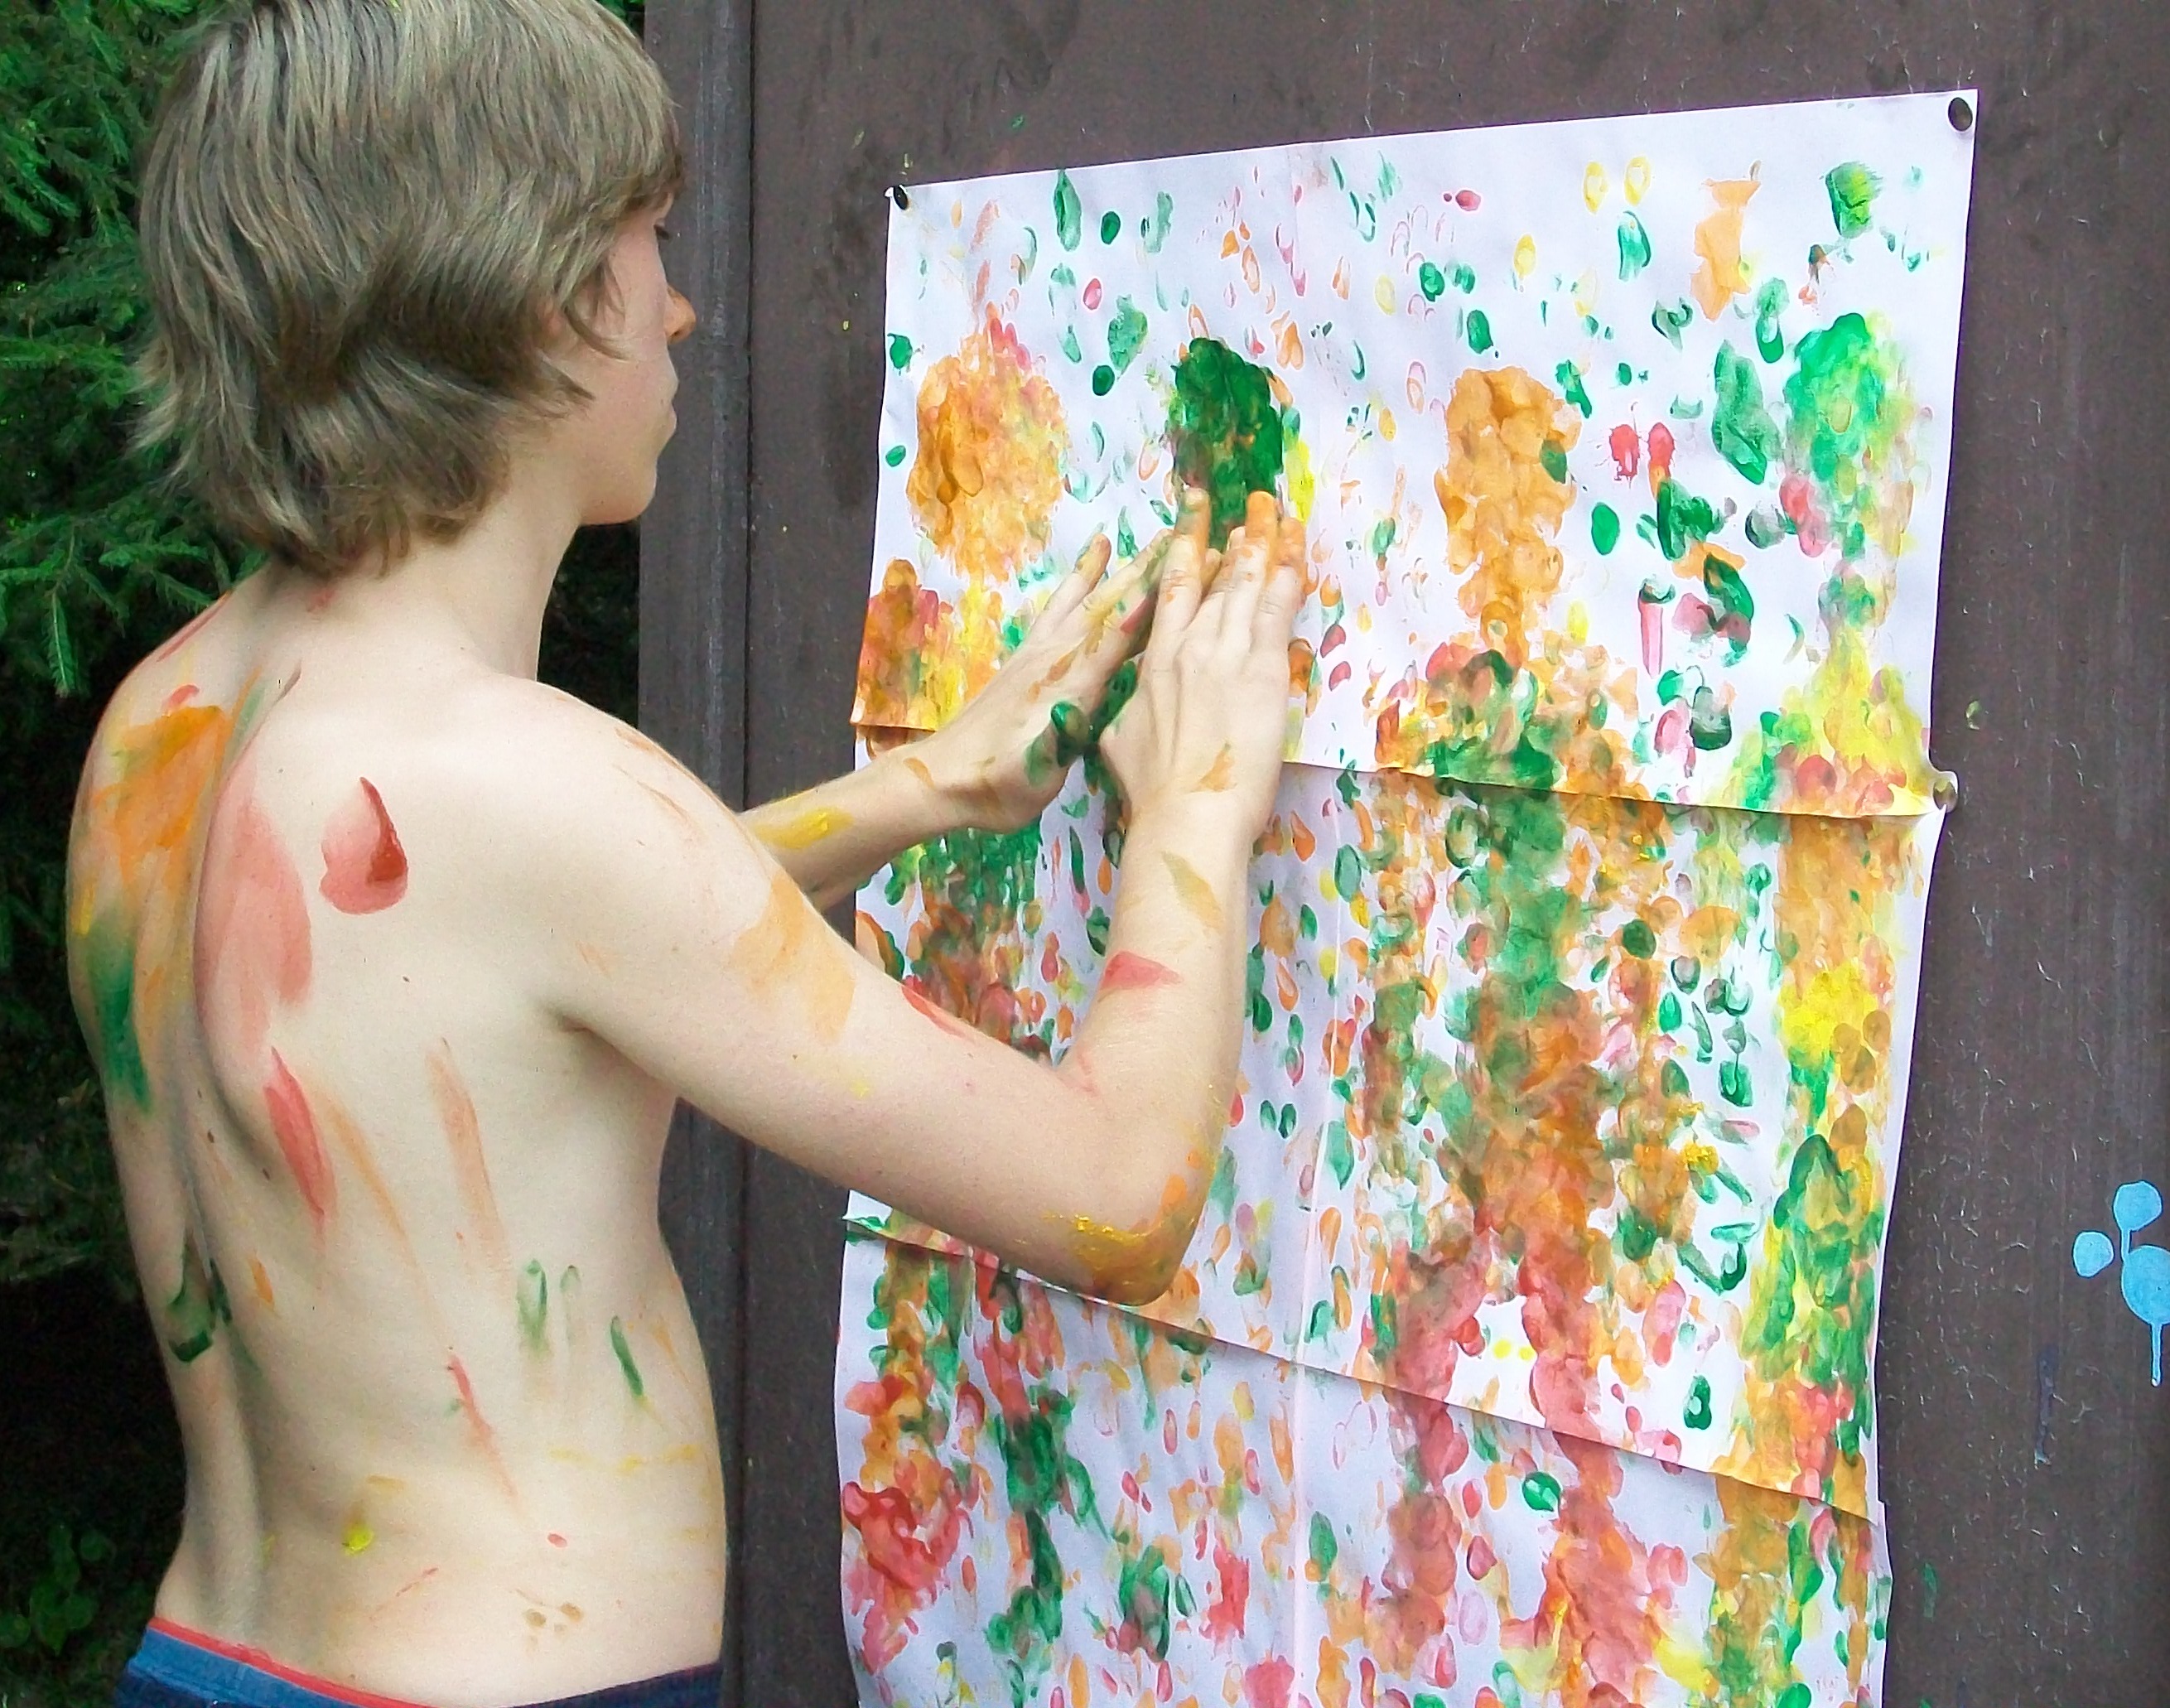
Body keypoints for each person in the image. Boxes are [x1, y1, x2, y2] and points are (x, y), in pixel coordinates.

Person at [67, 2, 1304, 1705]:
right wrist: (1197, 805)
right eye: (646, 240)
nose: (677, 306)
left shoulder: (166, 725)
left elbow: (491, 970)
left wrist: (918, 792)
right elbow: (1119, 1193)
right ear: (538, 296)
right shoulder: (529, 785)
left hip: (205, 1661)